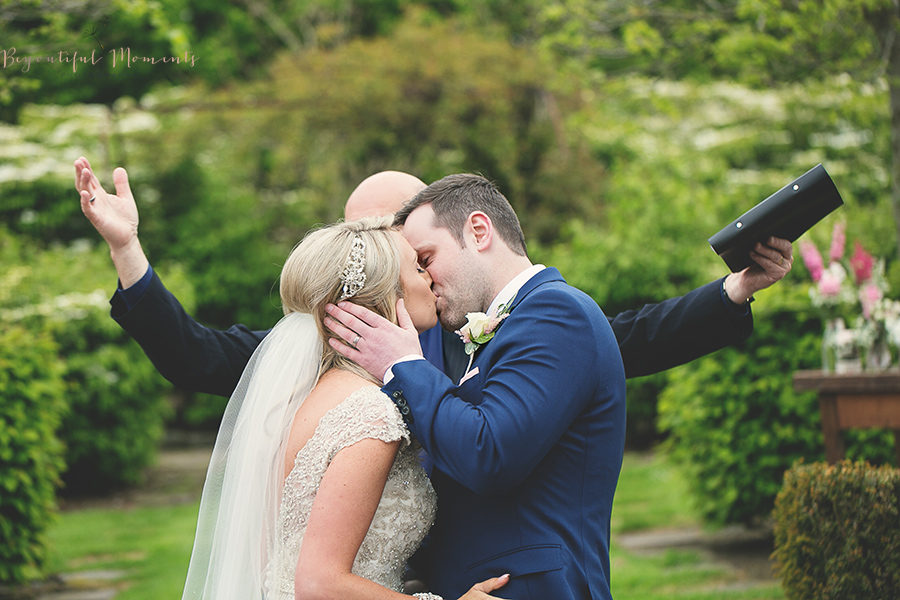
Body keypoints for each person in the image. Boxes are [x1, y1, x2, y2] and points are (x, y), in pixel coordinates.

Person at [73, 156, 793, 401]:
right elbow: (195, 356)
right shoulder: (329, 339)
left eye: (392, 235)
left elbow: (620, 341)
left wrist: (733, 291)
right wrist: (128, 250)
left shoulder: (488, 319)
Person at [323, 173, 625, 599]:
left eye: (425, 258)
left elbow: (489, 453)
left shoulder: (556, 312)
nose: (424, 278)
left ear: (478, 231)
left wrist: (403, 364)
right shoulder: (506, 328)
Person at [181, 215, 510, 599]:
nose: (430, 278)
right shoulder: (370, 413)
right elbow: (320, 582)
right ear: (387, 297)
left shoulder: (301, 398)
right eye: (418, 268)